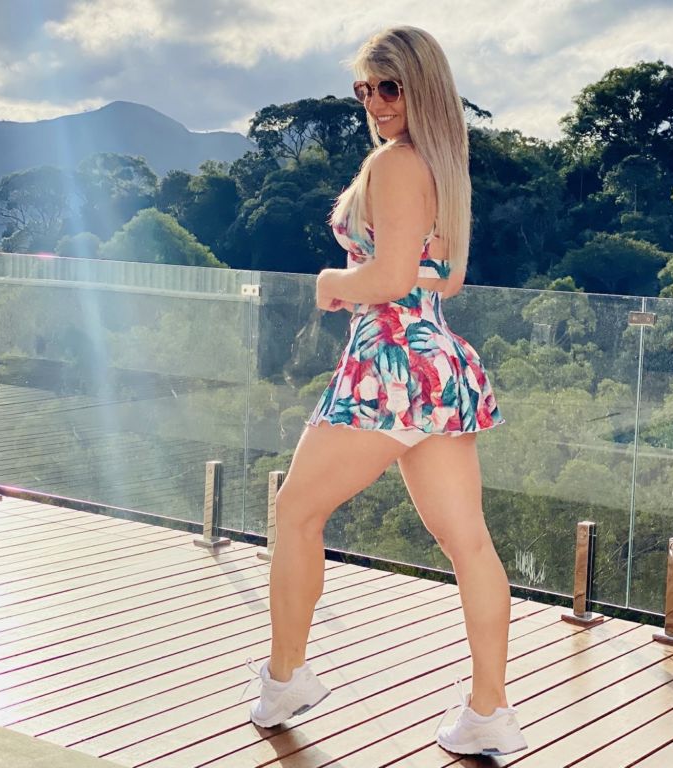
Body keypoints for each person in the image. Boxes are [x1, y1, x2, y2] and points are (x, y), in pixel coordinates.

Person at [241, 25, 528, 758]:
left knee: (296, 512)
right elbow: (446, 279)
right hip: (438, 364)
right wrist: (380, 280)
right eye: (364, 89)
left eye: (389, 86)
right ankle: (489, 712)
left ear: (421, 86)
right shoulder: (442, 167)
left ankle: (286, 679)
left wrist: (333, 282)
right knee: (469, 543)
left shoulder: (395, 164)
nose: (375, 102)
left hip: (388, 367)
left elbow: (392, 278)